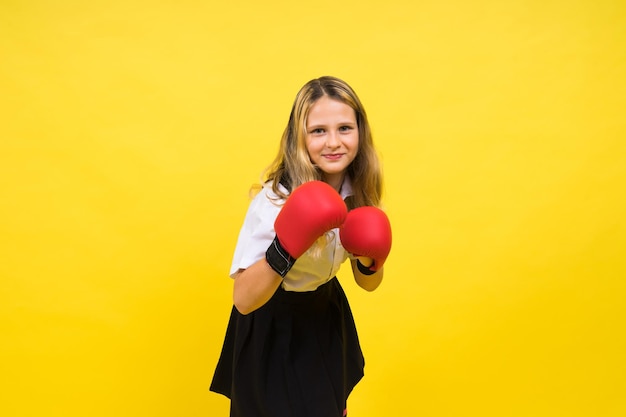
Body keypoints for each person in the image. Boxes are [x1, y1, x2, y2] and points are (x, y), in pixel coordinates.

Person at [210, 76, 392, 417]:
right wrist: (288, 245)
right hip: (273, 321)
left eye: (344, 128)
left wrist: (371, 257)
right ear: (300, 137)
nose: (333, 142)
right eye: (318, 131)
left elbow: (368, 283)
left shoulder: (358, 193)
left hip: (324, 314)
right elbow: (244, 300)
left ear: (360, 133)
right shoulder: (275, 200)